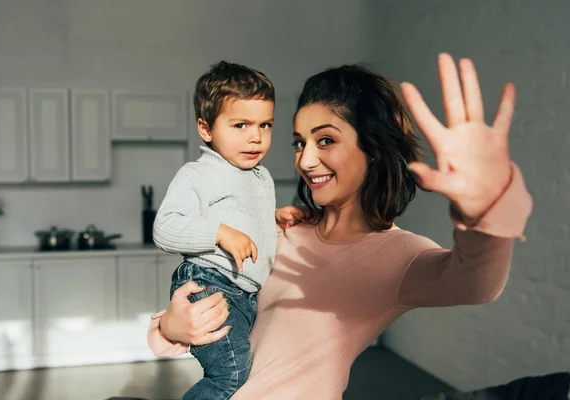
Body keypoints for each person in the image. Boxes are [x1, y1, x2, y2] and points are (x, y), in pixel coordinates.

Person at [148, 53, 533, 399]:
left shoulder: (398, 255)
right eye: (299, 143)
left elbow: (477, 284)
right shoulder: (282, 229)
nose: (306, 161)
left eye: (326, 140)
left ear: (372, 147)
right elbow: (225, 316)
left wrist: (487, 211)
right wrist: (170, 327)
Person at [151, 61, 305, 399]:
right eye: (241, 125)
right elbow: (165, 228)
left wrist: (272, 219)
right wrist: (220, 232)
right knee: (230, 375)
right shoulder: (199, 173)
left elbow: (243, 217)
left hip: (244, 296)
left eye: (265, 125)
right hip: (210, 284)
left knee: (244, 374)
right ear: (206, 129)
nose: (255, 136)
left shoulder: (260, 176)